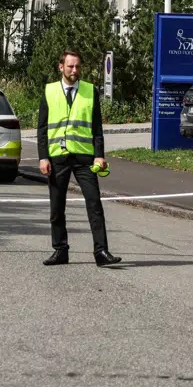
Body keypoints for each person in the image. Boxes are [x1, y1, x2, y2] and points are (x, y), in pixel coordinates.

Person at [37, 50, 120, 267]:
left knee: (94, 204)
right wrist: (43, 157)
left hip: (85, 158)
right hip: (57, 157)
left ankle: (101, 252)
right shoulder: (49, 91)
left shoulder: (90, 91)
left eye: (77, 67)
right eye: (70, 66)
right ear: (61, 67)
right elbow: (42, 128)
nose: (75, 71)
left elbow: (97, 128)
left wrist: (99, 156)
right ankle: (60, 250)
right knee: (57, 207)